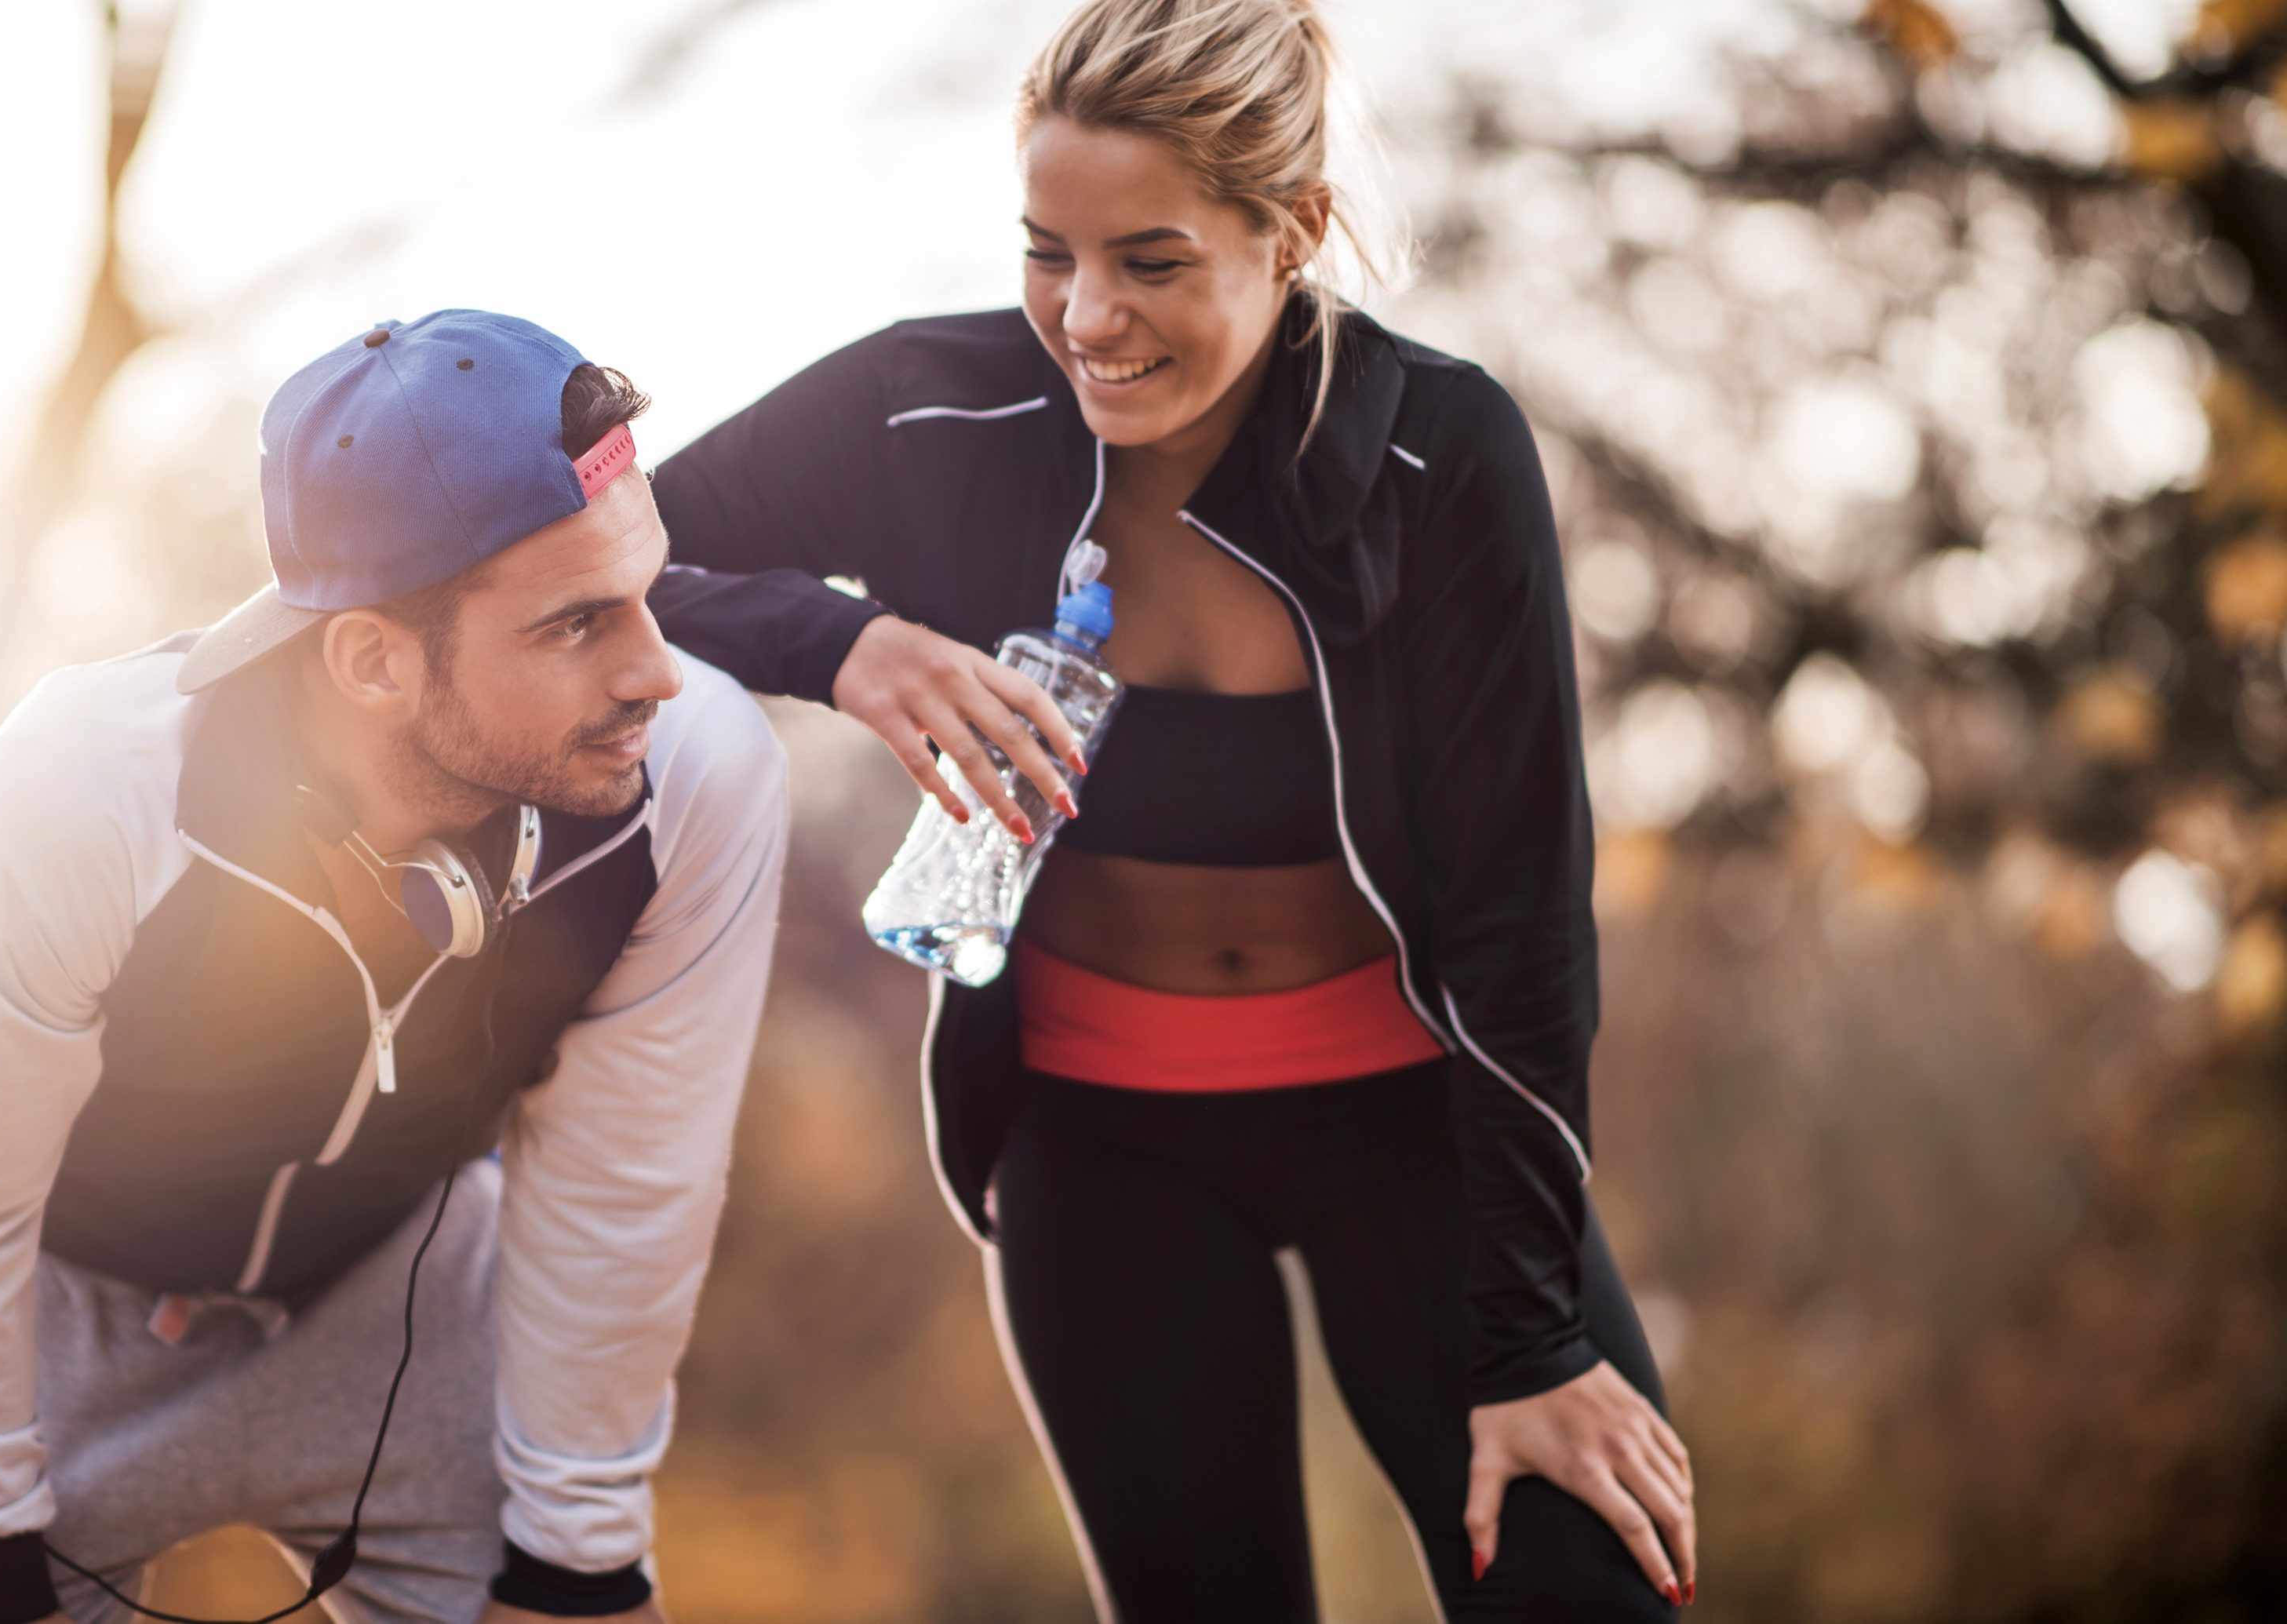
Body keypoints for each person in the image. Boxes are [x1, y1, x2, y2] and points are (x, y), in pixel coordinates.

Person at [644, 1, 1695, 1618]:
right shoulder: (931, 412)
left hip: (1418, 1139)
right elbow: (609, 563)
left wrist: (1534, 1340)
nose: (1085, 318)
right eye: (1045, 251)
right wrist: (840, 640)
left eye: (1151, 261)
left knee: (1592, 1592)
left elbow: (1518, 917)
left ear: (1295, 235)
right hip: (1100, 1142)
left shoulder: (1439, 456)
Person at [0, 311, 785, 1624]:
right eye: (577, 625)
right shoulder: (81, 791)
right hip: (51, 1330)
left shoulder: (698, 787)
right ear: (374, 660)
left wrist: (575, 1556)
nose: (658, 672)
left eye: (648, 591)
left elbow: (629, 1189)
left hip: (403, 1297)